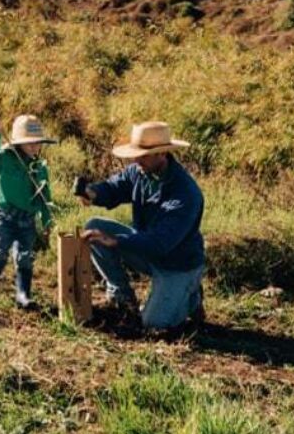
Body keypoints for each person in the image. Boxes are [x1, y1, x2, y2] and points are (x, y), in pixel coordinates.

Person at [75, 120, 206, 331]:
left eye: (143, 155)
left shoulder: (185, 193)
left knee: (153, 324)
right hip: (147, 251)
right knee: (95, 227)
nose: (136, 160)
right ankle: (122, 296)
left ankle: (190, 295)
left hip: (177, 264)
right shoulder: (139, 171)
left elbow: (160, 242)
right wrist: (94, 193)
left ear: (162, 154)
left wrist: (117, 241)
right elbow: (115, 188)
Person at [0, 114, 56, 307]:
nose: (33, 147)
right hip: (5, 216)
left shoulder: (40, 168)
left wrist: (47, 220)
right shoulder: (6, 158)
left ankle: (23, 295)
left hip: (27, 219)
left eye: (37, 143)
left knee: (25, 257)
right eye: (28, 143)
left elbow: (44, 197)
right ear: (19, 143)